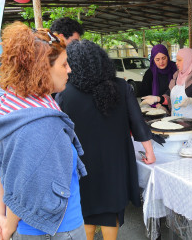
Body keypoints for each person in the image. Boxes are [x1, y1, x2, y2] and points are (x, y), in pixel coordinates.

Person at [56, 39, 156, 240]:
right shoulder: (121, 86)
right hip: (115, 161)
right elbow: (137, 122)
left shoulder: (65, 93)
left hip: (81, 164)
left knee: (86, 211)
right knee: (111, 212)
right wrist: (150, 152)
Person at [0, 22, 87, 239]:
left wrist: (0, 215)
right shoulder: (42, 121)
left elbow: (1, 168)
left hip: (29, 226)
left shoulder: (9, 104)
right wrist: (7, 227)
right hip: (57, 228)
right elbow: (24, 184)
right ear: (43, 68)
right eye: (64, 65)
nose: (69, 70)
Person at [141, 48, 192, 123]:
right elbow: (169, 96)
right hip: (178, 122)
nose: (176, 63)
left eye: (179, 60)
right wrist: (157, 99)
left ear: (188, 60)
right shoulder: (177, 76)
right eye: (176, 60)